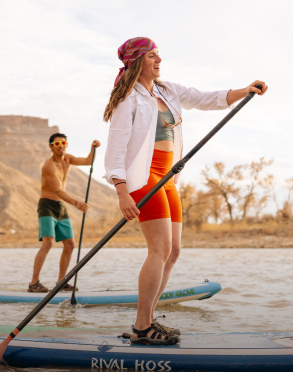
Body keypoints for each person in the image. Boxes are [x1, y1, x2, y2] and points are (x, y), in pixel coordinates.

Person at [103, 37, 268, 345]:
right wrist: (121, 190)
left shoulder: (168, 90)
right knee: (159, 250)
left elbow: (206, 98)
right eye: (152, 56)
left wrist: (244, 90)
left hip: (168, 178)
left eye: (158, 54)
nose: (159, 60)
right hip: (143, 178)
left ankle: (148, 321)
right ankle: (142, 327)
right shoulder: (128, 99)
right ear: (138, 61)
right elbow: (116, 148)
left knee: (173, 251)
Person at [29, 133, 100, 292]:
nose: (61, 145)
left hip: (60, 206)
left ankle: (61, 282)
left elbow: (88, 161)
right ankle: (33, 283)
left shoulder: (68, 159)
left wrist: (92, 149)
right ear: (51, 147)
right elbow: (58, 190)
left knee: (70, 244)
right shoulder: (48, 166)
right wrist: (76, 203)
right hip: (47, 205)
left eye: (63, 142)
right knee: (48, 243)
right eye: (57, 143)